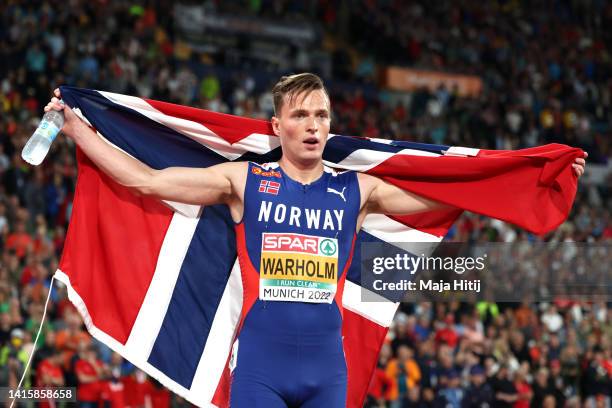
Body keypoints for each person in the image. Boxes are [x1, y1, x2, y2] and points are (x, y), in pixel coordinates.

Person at [45, 73, 587, 407]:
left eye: (321, 114)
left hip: (328, 370)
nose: (312, 124)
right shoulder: (244, 182)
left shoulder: (359, 190)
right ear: (276, 126)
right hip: (260, 367)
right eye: (299, 114)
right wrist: (78, 130)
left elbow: (455, 194)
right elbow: (146, 180)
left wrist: (528, 177)